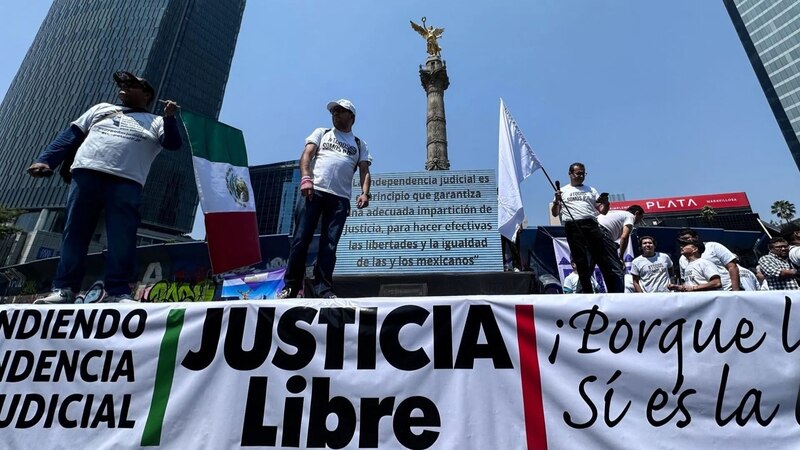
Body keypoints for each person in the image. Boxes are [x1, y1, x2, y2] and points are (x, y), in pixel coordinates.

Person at [27, 71, 181, 304]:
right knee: (74, 234)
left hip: (126, 181)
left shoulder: (156, 121)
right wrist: (45, 159)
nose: (124, 87)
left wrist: (169, 118)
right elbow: (70, 136)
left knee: (122, 236)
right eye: (122, 84)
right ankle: (64, 289)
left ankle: (118, 292)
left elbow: (172, 143)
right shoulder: (101, 109)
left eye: (132, 85)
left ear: (147, 94)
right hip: (86, 174)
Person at [277, 99, 372, 299]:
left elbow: (365, 171)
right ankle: (291, 287)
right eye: (334, 111)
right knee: (300, 239)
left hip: (340, 199)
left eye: (340, 111)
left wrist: (364, 192)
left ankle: (323, 290)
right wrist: (305, 179)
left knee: (329, 245)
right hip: (315, 191)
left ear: (351, 117)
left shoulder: (358, 143)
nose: (335, 113)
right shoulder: (322, 132)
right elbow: (307, 155)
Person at [551, 162, 624, 293]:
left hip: (591, 225)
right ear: (570, 174)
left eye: (583, 173)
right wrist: (557, 200)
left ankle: (613, 292)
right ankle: (587, 292)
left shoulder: (591, 189)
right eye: (578, 173)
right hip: (573, 226)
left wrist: (606, 203)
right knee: (581, 260)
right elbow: (555, 213)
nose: (581, 176)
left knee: (603, 259)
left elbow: (603, 211)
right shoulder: (563, 191)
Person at [677, 228, 741, 291]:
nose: (683, 242)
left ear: (696, 237)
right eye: (681, 240)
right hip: (699, 297)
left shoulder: (713, 246)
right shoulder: (682, 259)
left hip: (724, 291)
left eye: (686, 238)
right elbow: (686, 280)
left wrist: (735, 292)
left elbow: (732, 266)